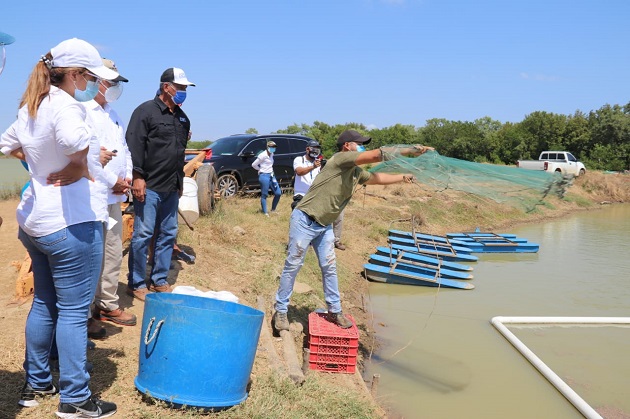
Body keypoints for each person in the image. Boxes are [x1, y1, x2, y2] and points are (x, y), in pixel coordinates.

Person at [0, 38, 117, 417]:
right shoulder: (66, 106)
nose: (87, 81)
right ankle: (76, 399)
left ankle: (35, 384)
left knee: (45, 303)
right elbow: (71, 141)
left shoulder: (32, 104)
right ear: (74, 74)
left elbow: (7, 145)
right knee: (72, 311)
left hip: (36, 223)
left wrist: (39, 165)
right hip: (72, 225)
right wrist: (81, 163)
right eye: (86, 75)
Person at [273, 129, 432, 330]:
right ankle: (281, 311)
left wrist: (403, 177)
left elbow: (376, 178)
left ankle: (335, 311)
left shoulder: (355, 172)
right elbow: (376, 155)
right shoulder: (340, 159)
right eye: (359, 143)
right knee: (293, 265)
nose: (362, 146)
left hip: (324, 225)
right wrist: (410, 150)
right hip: (305, 219)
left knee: (329, 267)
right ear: (348, 145)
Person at [126, 68, 195, 301]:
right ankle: (136, 282)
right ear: (167, 87)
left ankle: (159, 280)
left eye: (186, 88)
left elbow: (179, 153)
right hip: (149, 185)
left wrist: (180, 183)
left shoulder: (182, 118)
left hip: (171, 186)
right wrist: (137, 176)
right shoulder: (145, 112)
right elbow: (134, 145)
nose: (184, 92)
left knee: (168, 234)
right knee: (143, 234)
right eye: (181, 87)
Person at [86, 58, 136, 327]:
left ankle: (107, 304)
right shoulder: (83, 110)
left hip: (114, 199)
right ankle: (86, 312)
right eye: (112, 82)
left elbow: (124, 150)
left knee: (113, 251)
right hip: (92, 198)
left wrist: (126, 176)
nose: (116, 87)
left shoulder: (113, 114)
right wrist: (111, 180)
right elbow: (87, 157)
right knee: (92, 256)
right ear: (96, 81)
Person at [252, 141, 282, 216]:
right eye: (271, 147)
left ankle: (273, 210)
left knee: (278, 193)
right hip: (264, 175)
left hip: (271, 175)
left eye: (274, 147)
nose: (273, 148)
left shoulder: (272, 154)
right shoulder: (262, 155)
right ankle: (265, 212)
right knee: (264, 194)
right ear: (267, 147)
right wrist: (259, 170)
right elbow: (254, 164)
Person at [292, 139, 323, 210]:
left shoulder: (318, 162)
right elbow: (299, 172)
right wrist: (313, 166)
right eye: (313, 148)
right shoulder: (299, 159)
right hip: (301, 195)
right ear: (307, 149)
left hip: (314, 196)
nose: (315, 150)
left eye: (317, 148)